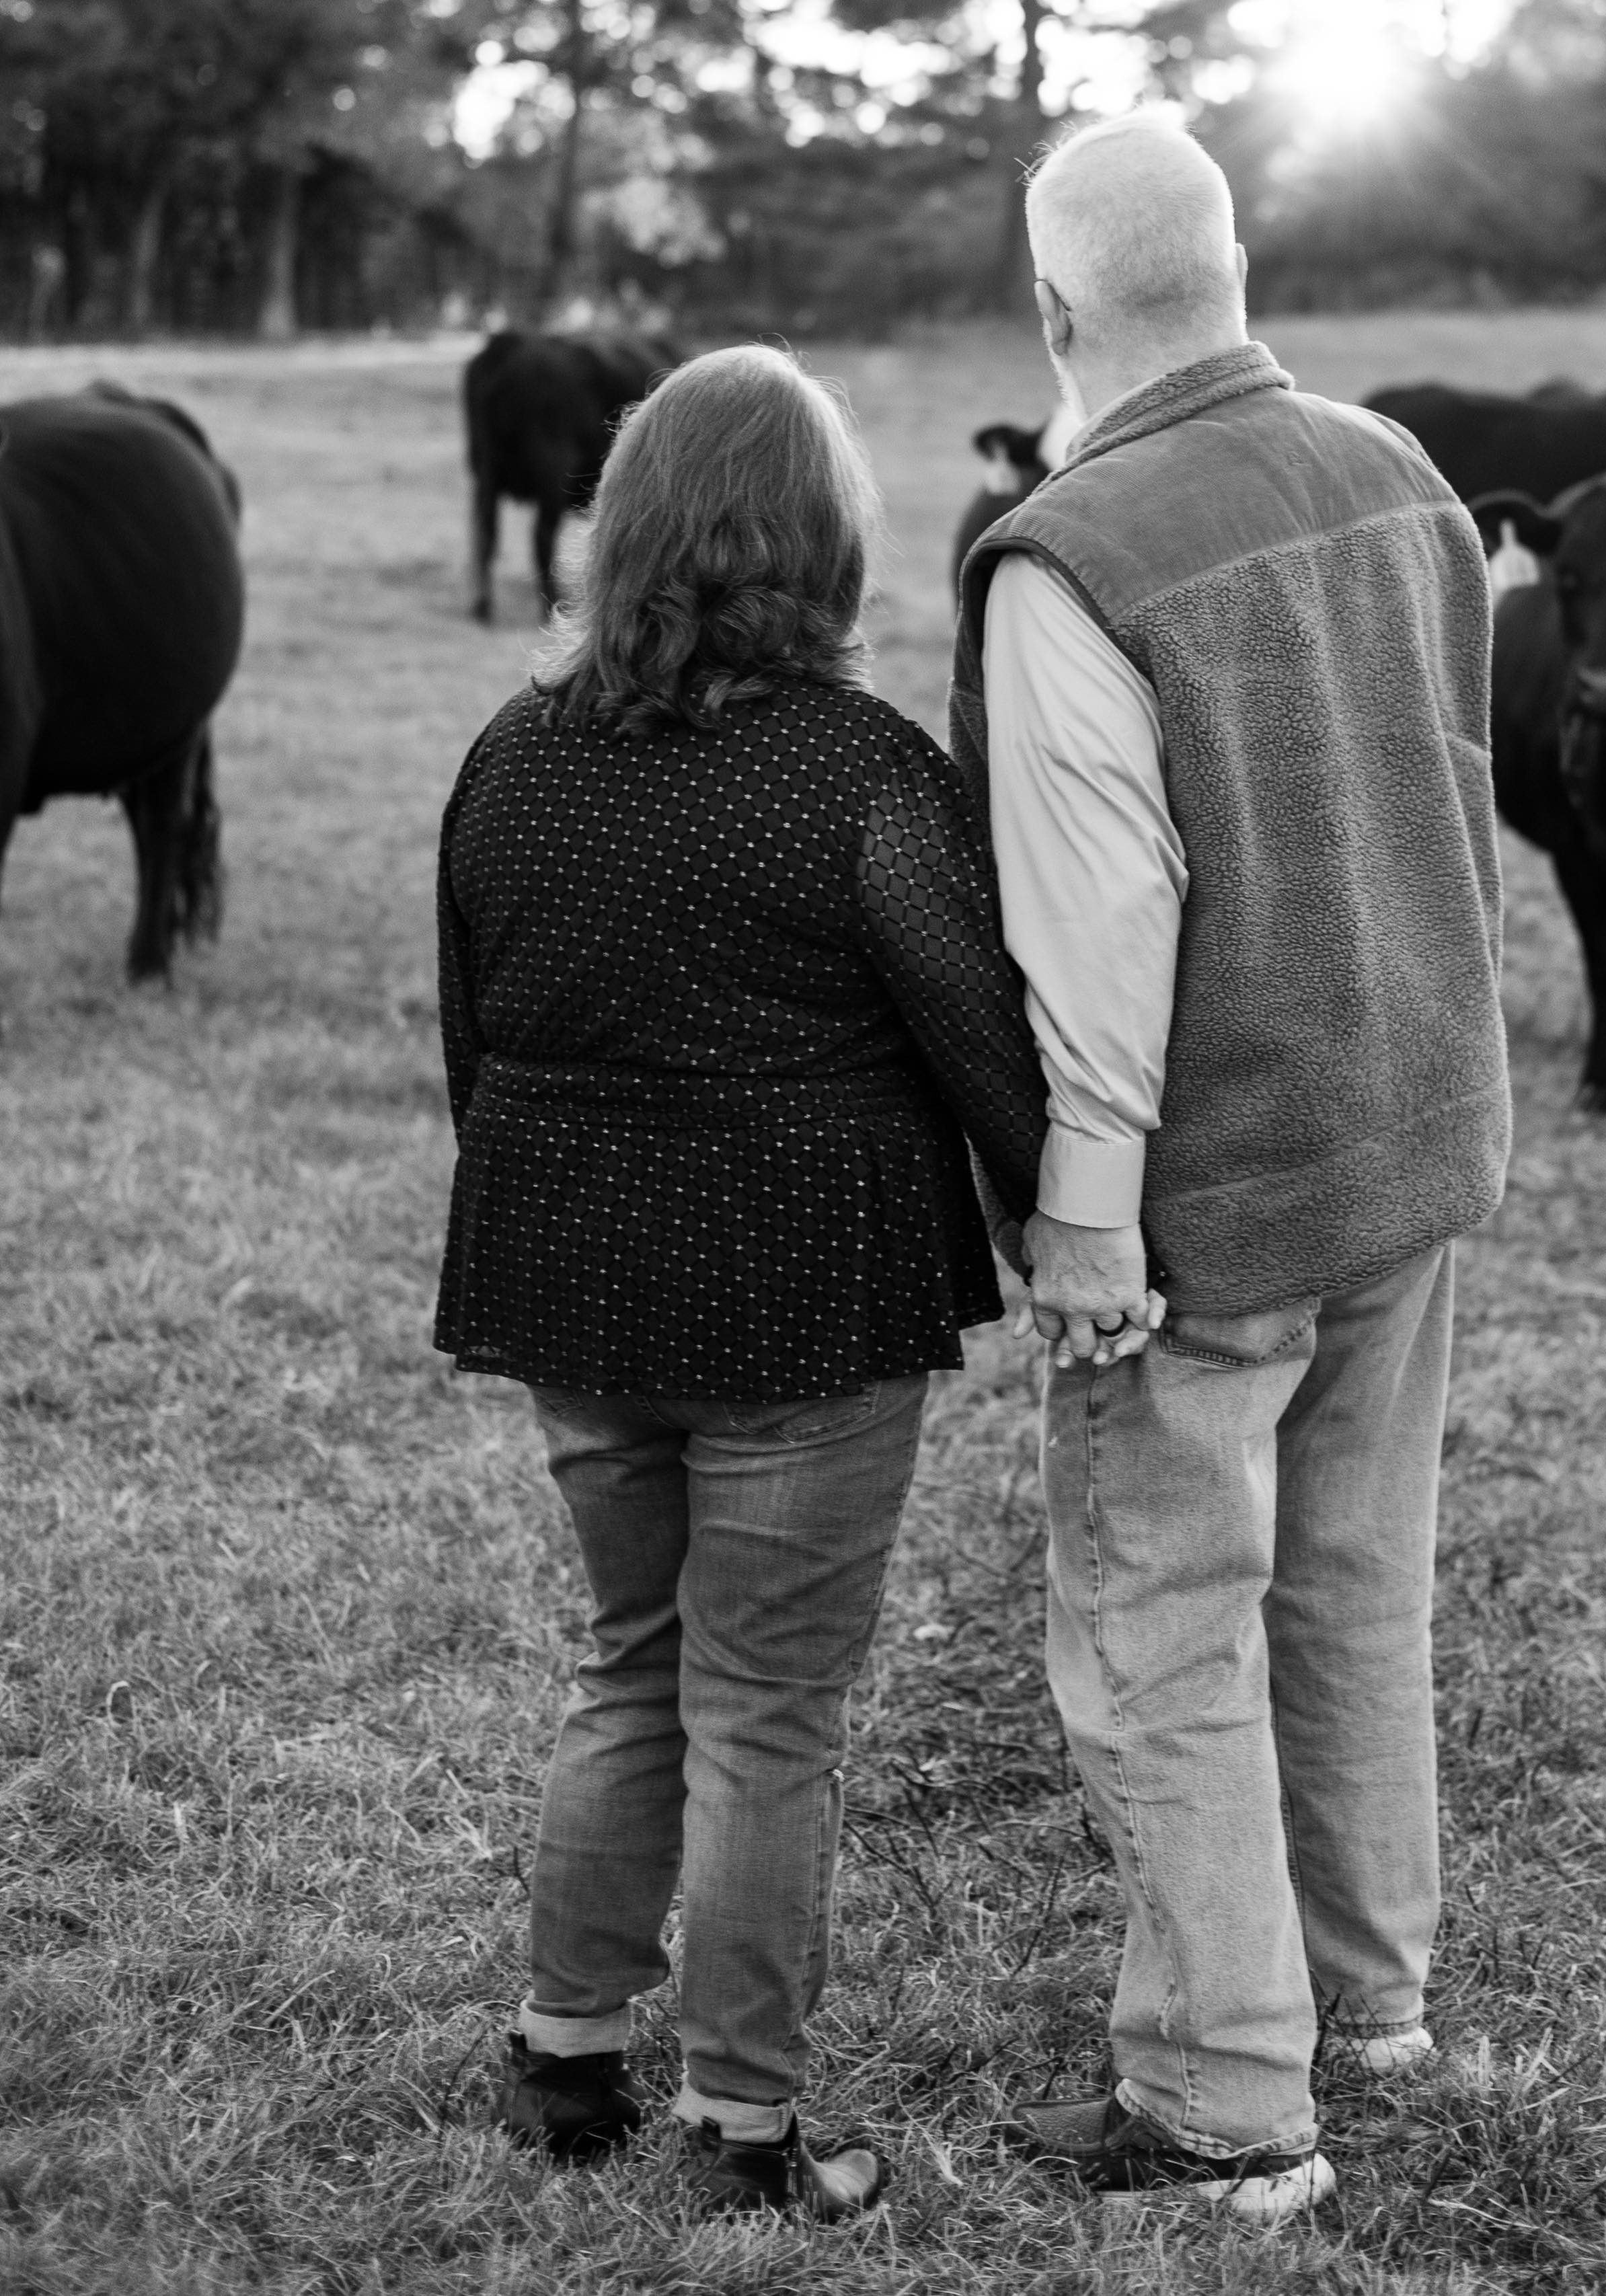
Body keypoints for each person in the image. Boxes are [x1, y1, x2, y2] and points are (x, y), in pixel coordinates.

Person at [950, 116, 1511, 2232]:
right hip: (1415, 1126)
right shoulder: (1402, 470)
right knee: (1362, 1569)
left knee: (1168, 1623)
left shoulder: (1066, 552)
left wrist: (1085, 1214)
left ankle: (1224, 2104)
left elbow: (1104, 919)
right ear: (1237, 262)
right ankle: (1373, 2001)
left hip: (1220, 1190)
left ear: (1056, 313)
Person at [434, 345, 1046, 2221]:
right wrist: (1067, 1221)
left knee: (629, 1667)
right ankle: (744, 2124)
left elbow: (479, 1050)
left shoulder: (512, 755)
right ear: (827, 546)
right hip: (802, 1304)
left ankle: (564, 2057)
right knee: (769, 1708)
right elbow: (983, 1049)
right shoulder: (863, 774)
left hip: (573, 1288)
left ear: (624, 531)